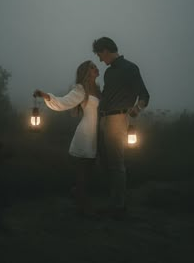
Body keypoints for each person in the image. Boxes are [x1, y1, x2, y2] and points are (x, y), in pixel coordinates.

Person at [33, 60, 100, 216]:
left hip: (97, 135)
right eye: (92, 67)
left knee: (90, 170)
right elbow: (63, 102)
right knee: (83, 171)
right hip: (86, 134)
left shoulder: (98, 89)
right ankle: (83, 207)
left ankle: (77, 194)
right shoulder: (81, 89)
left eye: (96, 66)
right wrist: (46, 96)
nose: (96, 68)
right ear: (85, 72)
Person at [92, 37, 150, 219]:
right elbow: (106, 97)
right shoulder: (109, 73)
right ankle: (112, 201)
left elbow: (144, 95)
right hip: (102, 119)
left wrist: (137, 108)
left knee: (116, 164)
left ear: (106, 50)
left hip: (118, 119)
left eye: (100, 55)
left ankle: (118, 207)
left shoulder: (130, 68)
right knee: (105, 161)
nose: (100, 60)